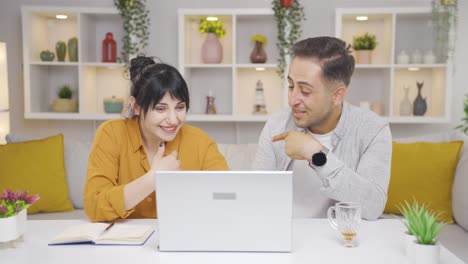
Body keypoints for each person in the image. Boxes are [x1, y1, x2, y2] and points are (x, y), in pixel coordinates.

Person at [253, 36, 392, 220]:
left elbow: (372, 207)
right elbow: (254, 195)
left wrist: (315, 153)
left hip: (340, 243)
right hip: (284, 237)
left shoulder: (372, 130)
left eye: (305, 91)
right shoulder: (276, 125)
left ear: (337, 95)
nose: (293, 100)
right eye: (291, 86)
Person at [84, 56, 229, 222]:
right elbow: (94, 205)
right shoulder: (111, 134)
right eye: (161, 109)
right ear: (136, 106)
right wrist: (152, 179)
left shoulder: (200, 142)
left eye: (180, 107)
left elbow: (227, 199)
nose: (173, 120)